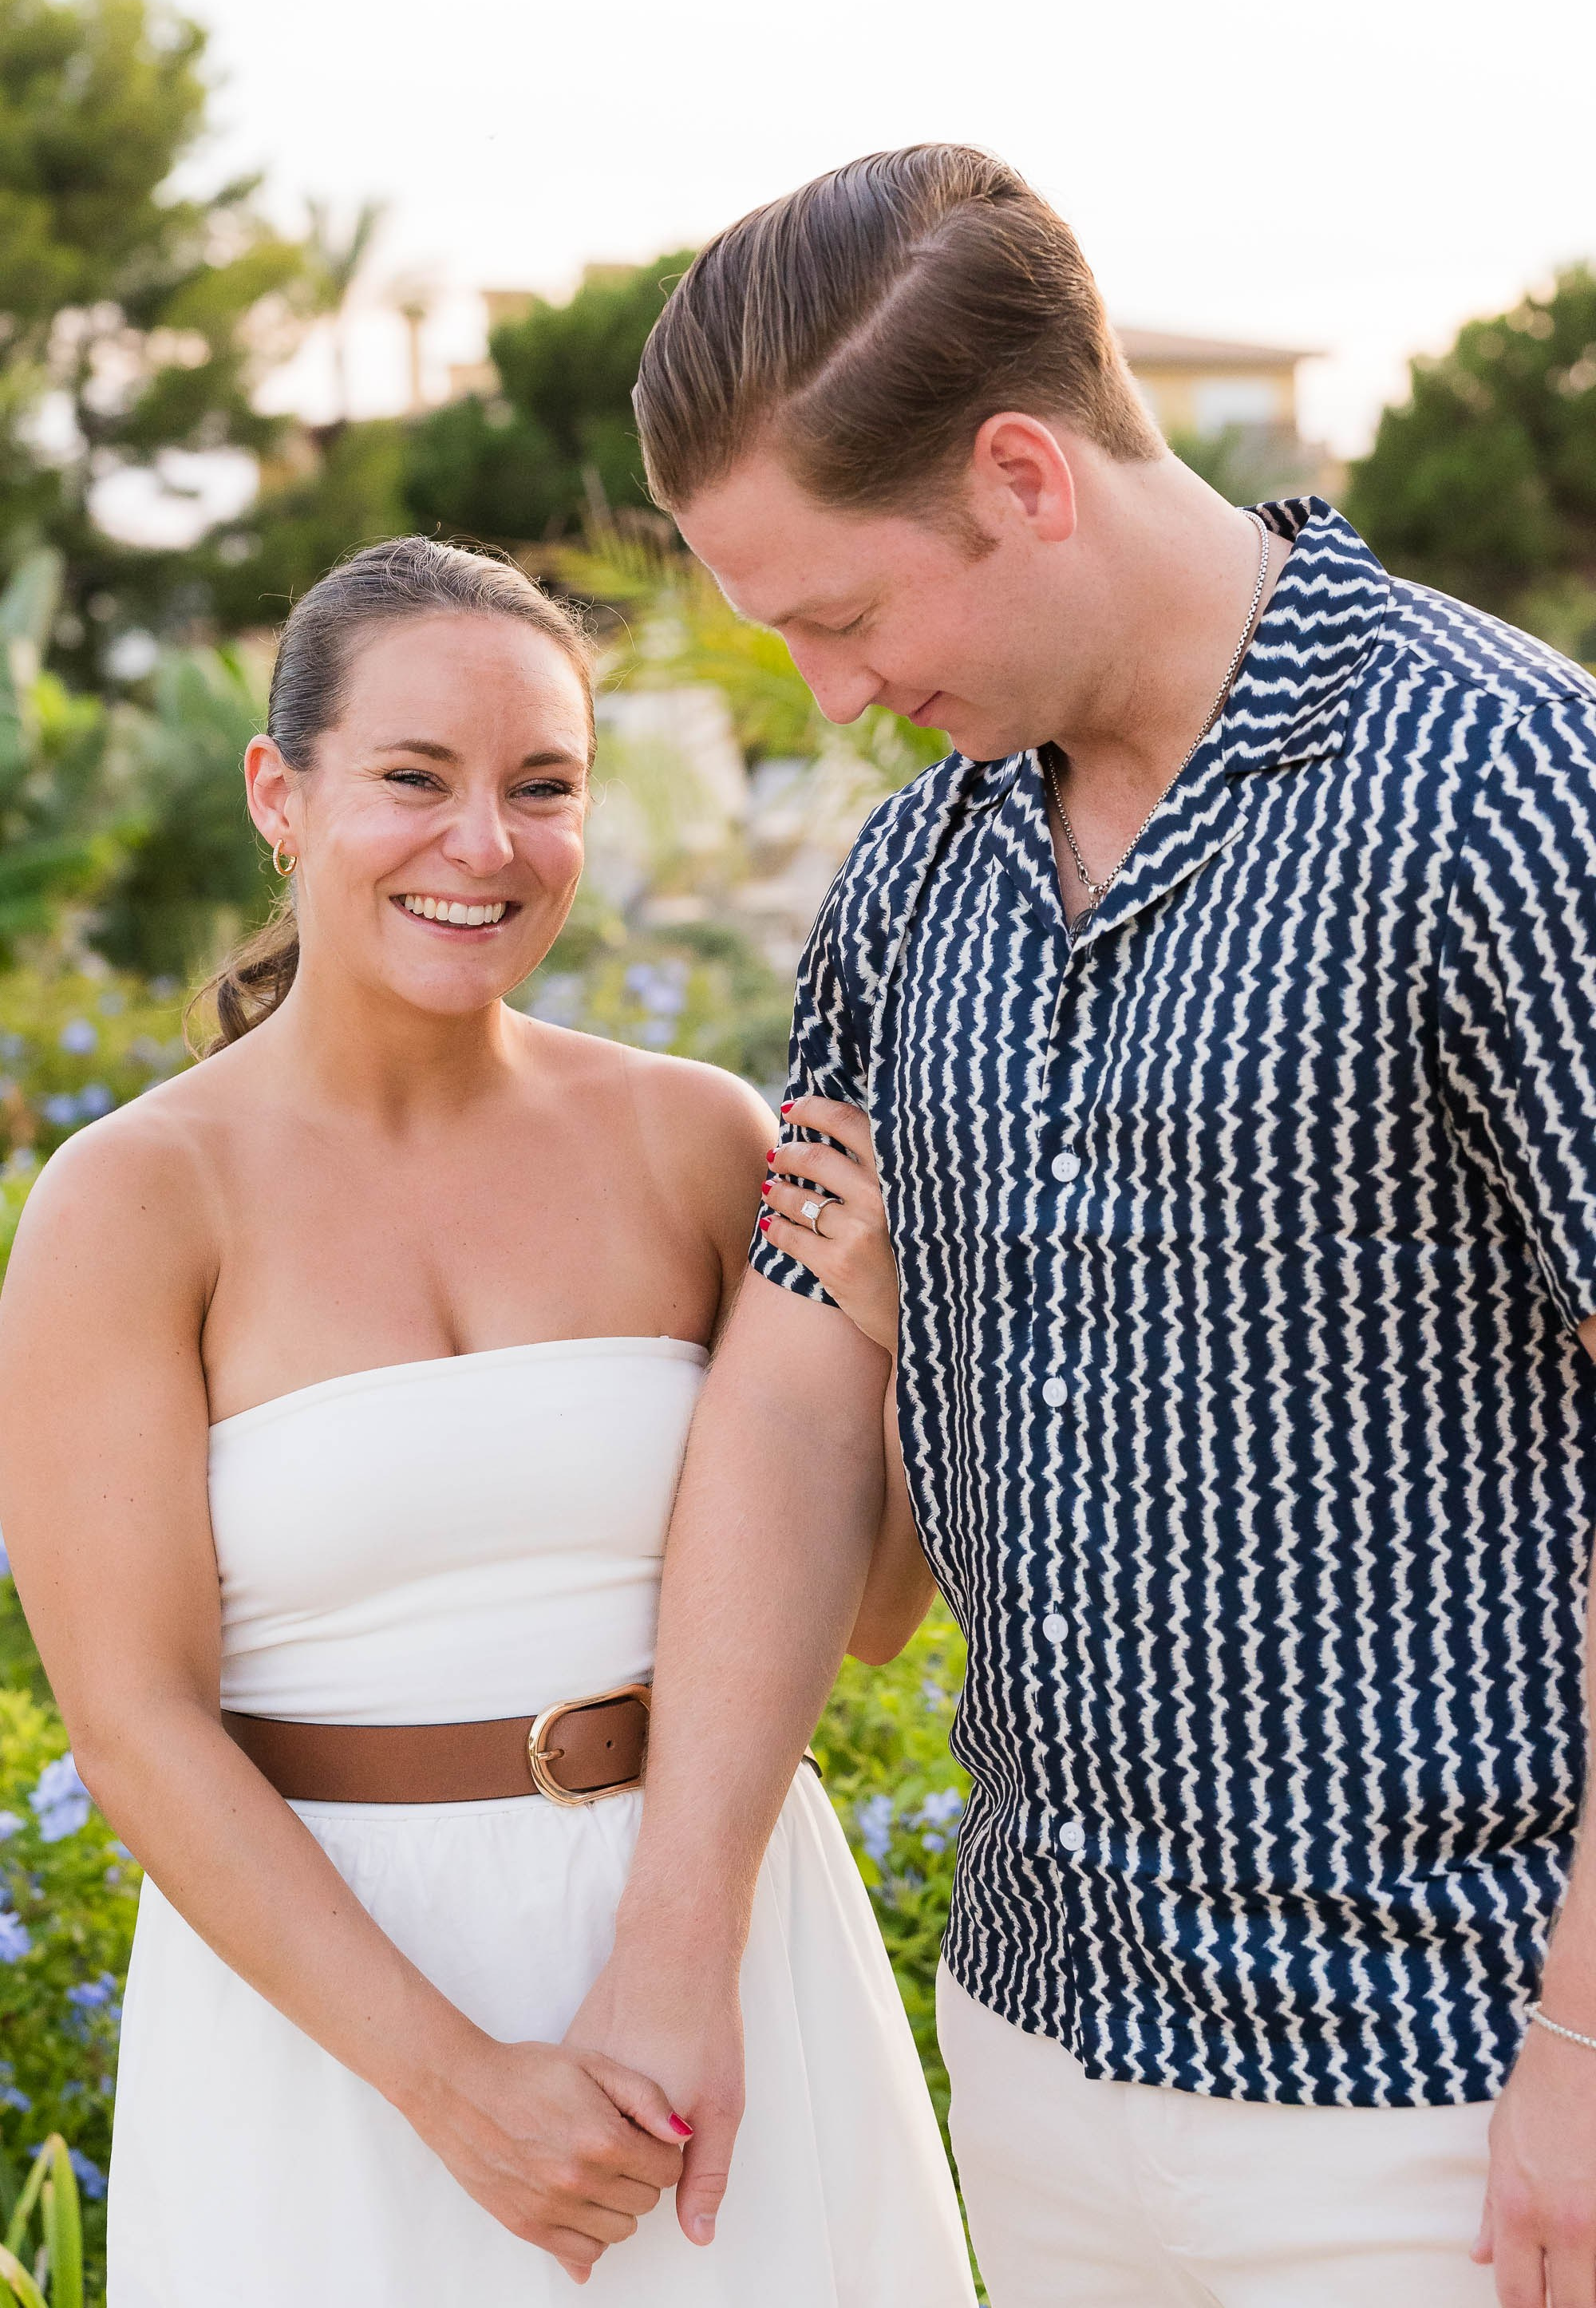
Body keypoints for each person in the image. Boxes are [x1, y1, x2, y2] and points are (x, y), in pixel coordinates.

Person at [566, 144, 1596, 2307]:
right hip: (1036, 2058)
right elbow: (790, 1413)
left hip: (1452, 2089)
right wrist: (671, 1969)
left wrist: (1586, 2049)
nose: (833, 696)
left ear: (1025, 474)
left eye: (841, 617)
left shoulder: (1506, 785)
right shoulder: (910, 884)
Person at [0, 537, 975, 2308]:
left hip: (718, 1964)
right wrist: (458, 2094)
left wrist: (898, 1343)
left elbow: (869, 1614)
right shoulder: (129, 1202)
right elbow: (131, 1728)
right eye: (414, 780)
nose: (486, 845)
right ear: (279, 796)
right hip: (327, 2021)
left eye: (544, 787)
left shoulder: (697, 1139)